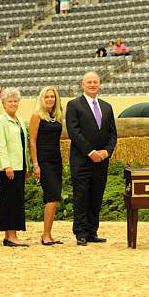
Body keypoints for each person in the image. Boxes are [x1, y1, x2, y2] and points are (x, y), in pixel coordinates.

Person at [66, 71, 117, 246]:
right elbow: (74, 132)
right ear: (83, 85)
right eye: (89, 82)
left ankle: (92, 231)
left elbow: (113, 134)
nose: (92, 85)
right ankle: (80, 232)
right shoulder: (74, 105)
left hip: (102, 161)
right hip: (82, 160)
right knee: (81, 196)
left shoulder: (107, 107)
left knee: (96, 195)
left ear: (100, 84)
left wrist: (106, 152)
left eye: (95, 82)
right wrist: (90, 152)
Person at [0, 88, 30, 247]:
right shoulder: (0, 120)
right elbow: (0, 145)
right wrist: (7, 165)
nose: (13, 103)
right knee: (9, 202)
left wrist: (26, 166)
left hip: (20, 167)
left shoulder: (20, 120)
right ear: (3, 103)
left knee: (16, 201)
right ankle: (11, 236)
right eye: (10, 101)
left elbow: (24, 145)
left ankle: (10, 236)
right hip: (8, 168)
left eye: (15, 101)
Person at [29, 86, 64, 246]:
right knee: (52, 196)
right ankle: (45, 235)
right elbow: (33, 141)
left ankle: (49, 233)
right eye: (47, 97)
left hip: (56, 160)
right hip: (43, 161)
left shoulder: (57, 116)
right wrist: (35, 164)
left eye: (53, 97)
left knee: (55, 198)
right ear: (42, 99)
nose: (50, 99)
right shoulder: (37, 116)